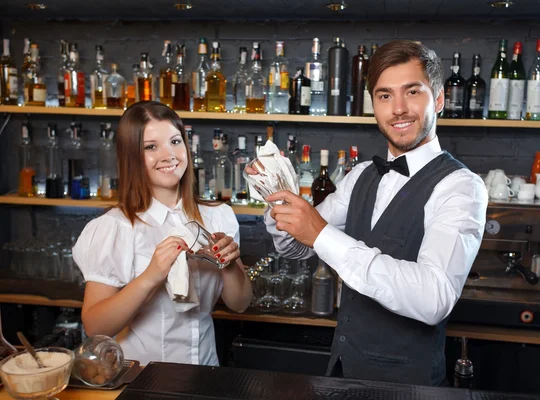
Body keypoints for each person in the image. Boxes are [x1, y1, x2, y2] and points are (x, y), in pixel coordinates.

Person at [249, 40, 488, 386]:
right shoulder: (361, 175)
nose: (399, 109)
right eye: (385, 96)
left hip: (407, 386)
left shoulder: (461, 187)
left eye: (413, 92)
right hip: (342, 373)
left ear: (438, 99)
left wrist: (319, 232)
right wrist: (279, 203)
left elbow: (435, 297)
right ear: (373, 105)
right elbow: (298, 247)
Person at [73, 101, 252, 366]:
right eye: (150, 147)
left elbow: (240, 303)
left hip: (206, 372)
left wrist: (229, 265)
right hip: (139, 379)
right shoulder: (114, 227)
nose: (169, 155)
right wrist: (150, 276)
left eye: (175, 141)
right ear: (131, 156)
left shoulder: (218, 216)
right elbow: (95, 327)